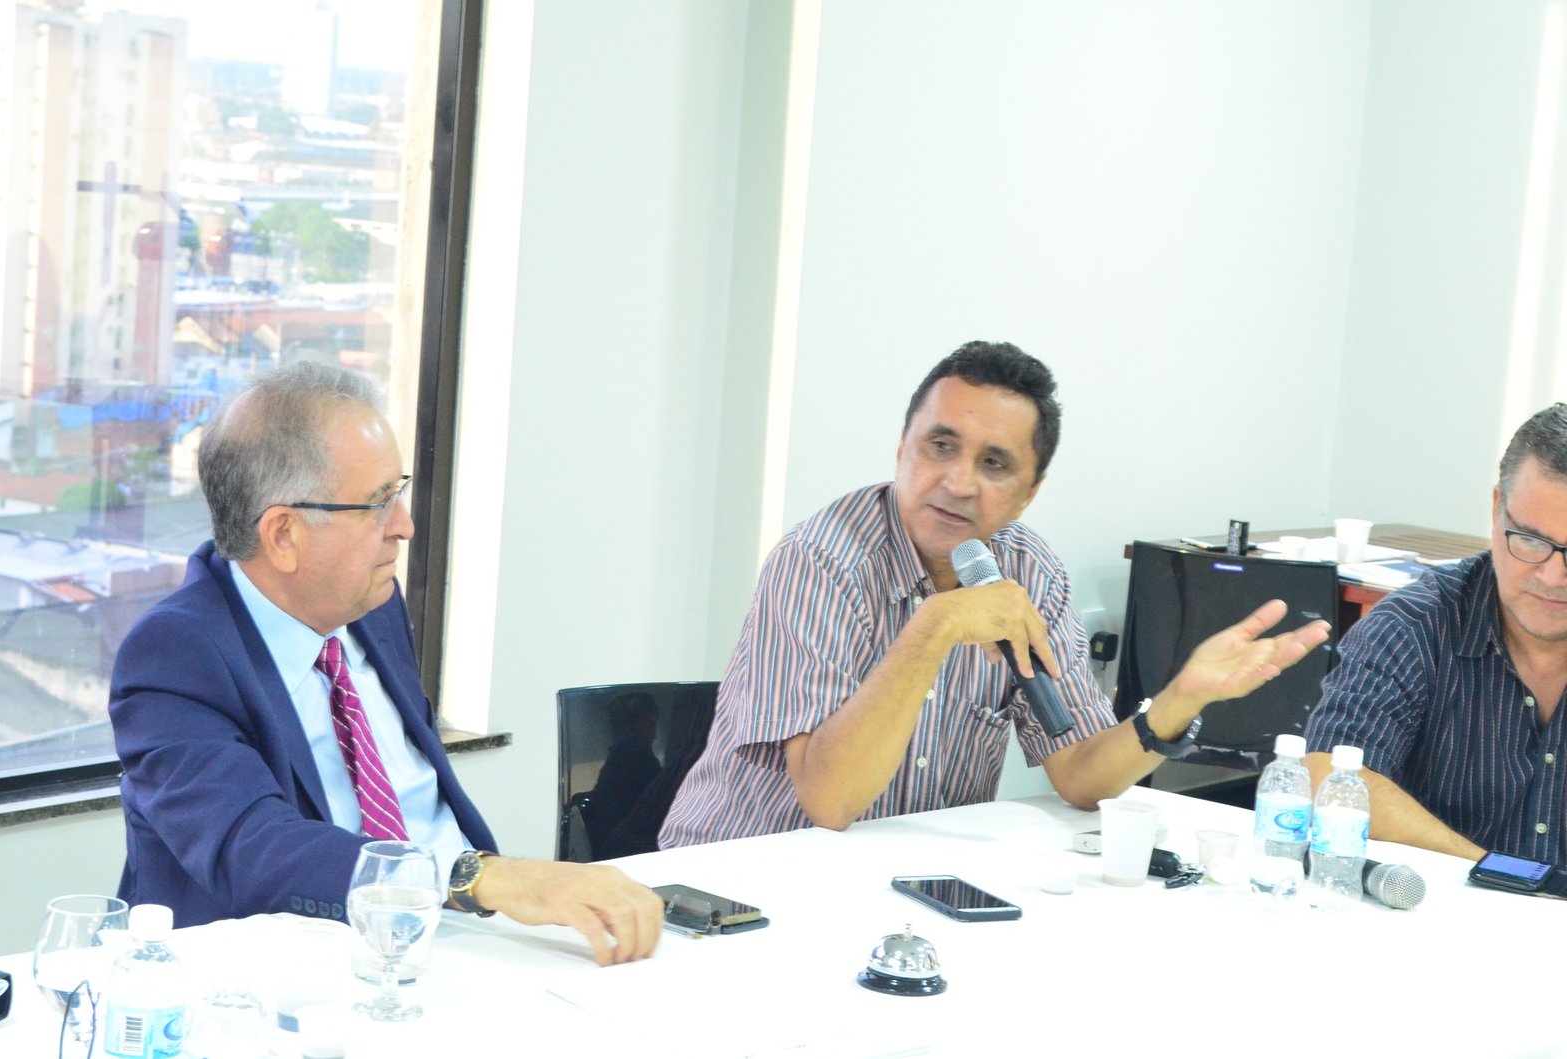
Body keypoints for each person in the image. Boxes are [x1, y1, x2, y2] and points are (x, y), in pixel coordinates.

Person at [660, 341, 1330, 847]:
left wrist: (1178, 701)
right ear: (901, 449)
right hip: (745, 874)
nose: (957, 482)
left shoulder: (1029, 569)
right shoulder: (820, 562)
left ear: (1029, 492)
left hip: (901, 878)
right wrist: (937, 626)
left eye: (994, 463)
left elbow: (1079, 776)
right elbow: (829, 801)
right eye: (940, 446)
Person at [110, 362, 662, 966]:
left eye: (397, 493)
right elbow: (253, 847)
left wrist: (492, 888)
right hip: (292, 967)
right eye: (377, 504)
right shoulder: (174, 656)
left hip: (462, 939)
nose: (404, 526)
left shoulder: (369, 600)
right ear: (284, 534)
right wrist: (475, 877)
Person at [1304, 402, 1567, 863]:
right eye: (1530, 540)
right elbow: (1330, 778)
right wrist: (1497, 875)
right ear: (1496, 510)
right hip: (1442, 902)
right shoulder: (1414, 626)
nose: (1553, 576)